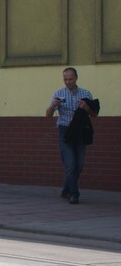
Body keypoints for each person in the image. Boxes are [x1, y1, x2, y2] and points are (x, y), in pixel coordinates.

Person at [45, 67, 97, 204]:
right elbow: (48, 115)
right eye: (65, 79)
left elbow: (94, 114)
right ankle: (74, 194)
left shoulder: (85, 93)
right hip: (65, 130)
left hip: (80, 131)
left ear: (76, 78)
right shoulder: (59, 93)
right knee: (70, 164)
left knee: (79, 165)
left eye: (70, 79)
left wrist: (86, 108)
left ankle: (66, 189)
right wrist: (53, 105)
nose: (68, 82)